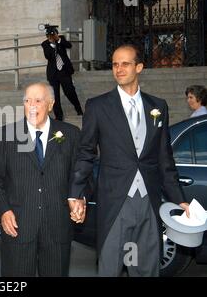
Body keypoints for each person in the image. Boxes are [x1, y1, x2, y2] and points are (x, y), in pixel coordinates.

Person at [69, 44, 190, 277]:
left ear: (139, 67)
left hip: (149, 202)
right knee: (109, 268)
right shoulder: (98, 106)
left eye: (125, 63)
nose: (119, 69)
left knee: (146, 268)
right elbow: (85, 153)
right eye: (115, 64)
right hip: (115, 201)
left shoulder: (158, 107)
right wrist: (76, 193)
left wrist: (180, 200)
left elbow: (165, 159)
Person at [0, 82, 80, 276]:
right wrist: (4, 211)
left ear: (51, 104)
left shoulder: (71, 134)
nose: (32, 105)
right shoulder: (5, 135)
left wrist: (79, 198)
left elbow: (80, 175)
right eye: (27, 101)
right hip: (18, 227)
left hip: (57, 227)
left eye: (38, 100)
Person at [41, 26, 83, 121]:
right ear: (47, 36)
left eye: (53, 34)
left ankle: (78, 108)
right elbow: (48, 56)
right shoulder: (45, 44)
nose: (51, 37)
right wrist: (52, 44)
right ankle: (59, 116)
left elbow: (69, 45)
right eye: (49, 35)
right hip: (53, 74)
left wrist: (58, 40)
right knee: (55, 95)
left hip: (64, 71)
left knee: (69, 91)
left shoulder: (61, 39)